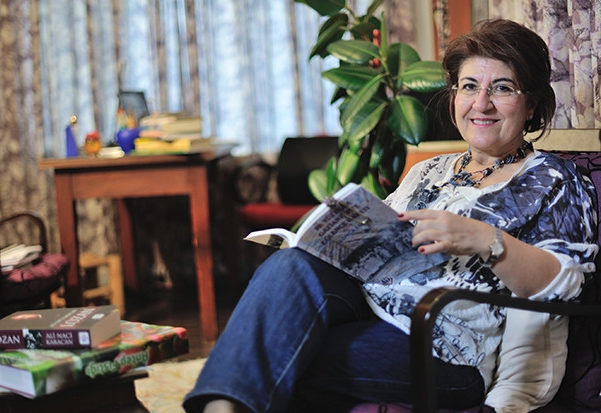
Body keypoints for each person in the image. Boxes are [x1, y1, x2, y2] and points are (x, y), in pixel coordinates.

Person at [183, 19, 599, 413]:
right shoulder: (429, 170)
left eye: (502, 88)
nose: (481, 103)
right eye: (469, 86)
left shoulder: (554, 179)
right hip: (368, 308)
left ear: (531, 105)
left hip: (446, 348)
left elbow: (566, 283)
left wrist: (486, 240)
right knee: (290, 264)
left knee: (280, 349)